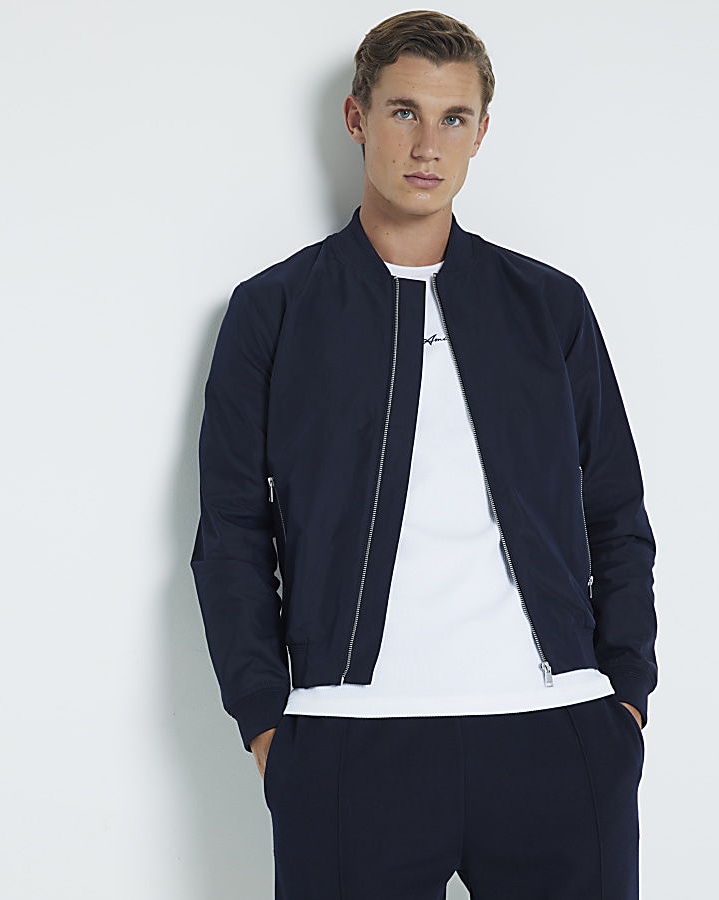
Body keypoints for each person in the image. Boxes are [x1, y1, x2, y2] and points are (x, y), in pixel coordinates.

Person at [191, 10, 657, 899]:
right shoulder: (274, 310)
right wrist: (267, 723)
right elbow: (232, 536)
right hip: (348, 743)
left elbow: (616, 514)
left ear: (481, 131)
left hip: (556, 734)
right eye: (404, 111)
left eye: (453, 118)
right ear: (357, 117)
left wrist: (624, 697)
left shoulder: (548, 306)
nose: (427, 144)